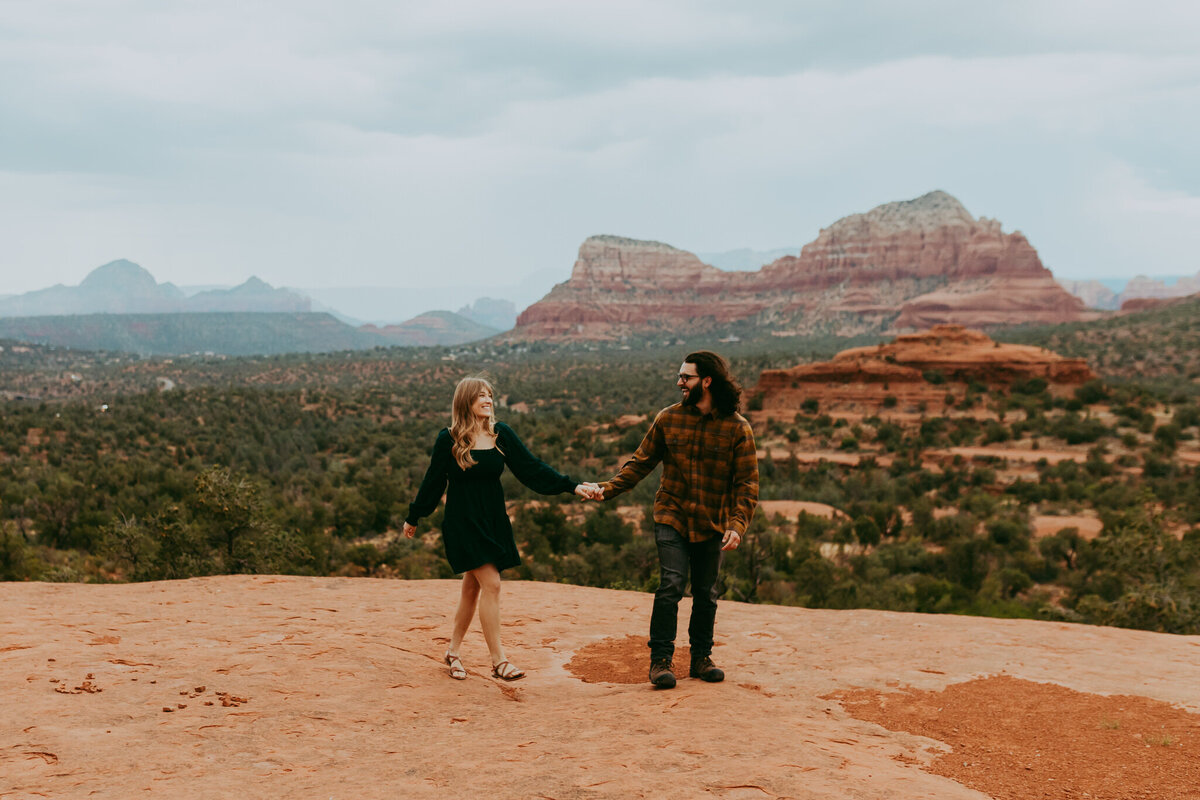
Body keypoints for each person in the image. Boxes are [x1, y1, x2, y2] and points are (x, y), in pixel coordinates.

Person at [403, 376, 599, 682]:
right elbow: (433, 481)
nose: (488, 400)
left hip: (492, 519)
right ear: (465, 401)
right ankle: (499, 662)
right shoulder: (449, 439)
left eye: (490, 395)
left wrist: (571, 486)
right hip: (463, 521)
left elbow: (531, 469)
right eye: (480, 396)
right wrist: (415, 516)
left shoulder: (500, 434)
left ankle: (453, 653)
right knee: (491, 584)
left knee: (472, 587)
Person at [596, 351, 758, 689]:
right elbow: (641, 463)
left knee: (706, 592)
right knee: (671, 584)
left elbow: (747, 483)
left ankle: (700, 658)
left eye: (686, 377)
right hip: (671, 515)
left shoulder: (737, 429)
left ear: (707, 381)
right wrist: (607, 490)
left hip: (712, 522)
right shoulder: (668, 419)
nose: (679, 382)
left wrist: (737, 524)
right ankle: (660, 661)